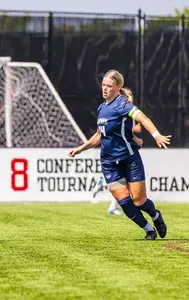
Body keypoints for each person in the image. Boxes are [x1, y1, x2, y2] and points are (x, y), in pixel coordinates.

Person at [68, 69, 170, 240]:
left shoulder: (123, 105)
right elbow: (100, 135)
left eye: (109, 86)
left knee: (139, 201)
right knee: (124, 202)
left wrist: (156, 135)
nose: (105, 89)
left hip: (129, 160)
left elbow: (143, 119)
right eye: (103, 85)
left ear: (118, 87)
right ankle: (149, 230)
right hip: (108, 162)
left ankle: (156, 216)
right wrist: (81, 148)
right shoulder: (102, 108)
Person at [92, 88, 142, 215]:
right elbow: (113, 131)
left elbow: (127, 132)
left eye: (131, 94)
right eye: (128, 95)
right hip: (118, 152)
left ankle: (113, 204)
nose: (130, 97)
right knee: (123, 183)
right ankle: (103, 184)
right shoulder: (120, 108)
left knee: (124, 185)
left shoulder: (130, 110)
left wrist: (135, 137)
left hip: (124, 150)